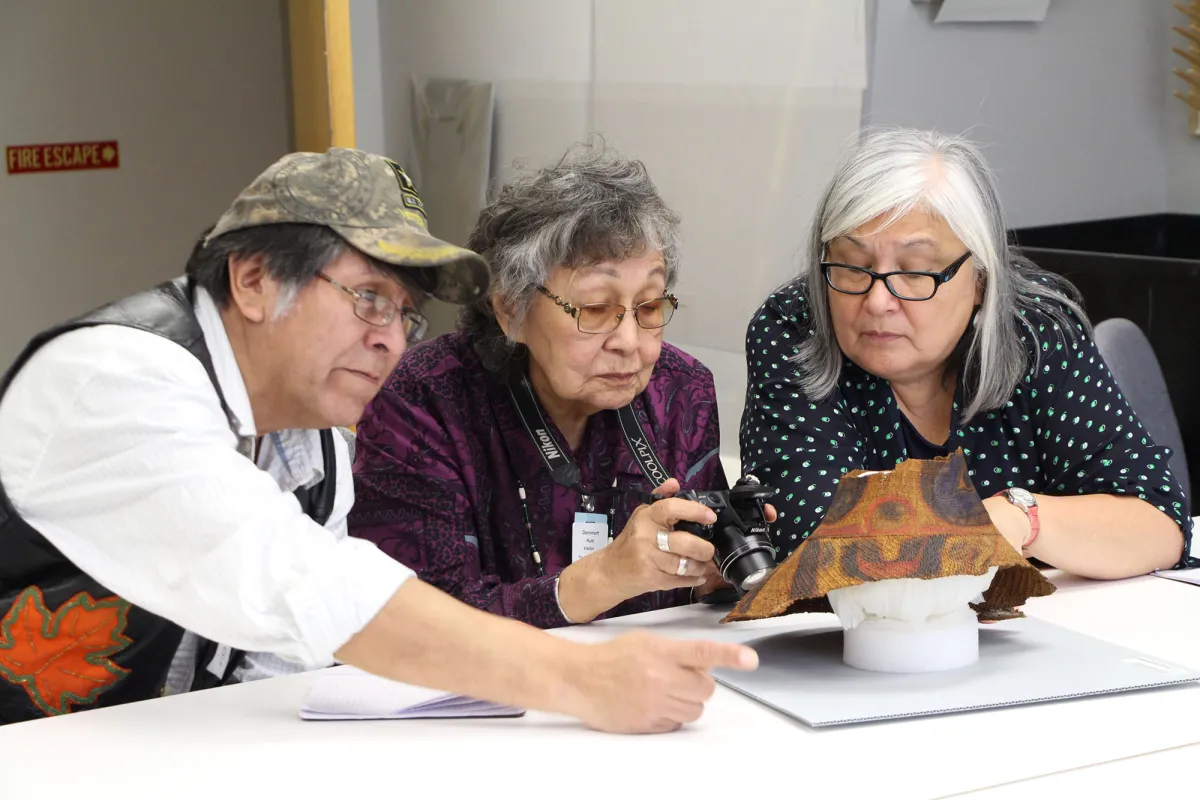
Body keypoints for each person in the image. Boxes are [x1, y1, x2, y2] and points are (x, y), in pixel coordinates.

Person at [0, 147, 756, 731]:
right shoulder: (114, 378)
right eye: (368, 299)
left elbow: (284, 661)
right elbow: (312, 589)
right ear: (254, 280)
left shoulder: (316, 429)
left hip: (162, 747)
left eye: (404, 314)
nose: (390, 342)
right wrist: (582, 681)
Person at [741, 128, 1195, 579]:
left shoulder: (1035, 329)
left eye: (915, 271)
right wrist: (982, 528)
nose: (878, 301)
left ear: (980, 277)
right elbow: (810, 543)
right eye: (852, 265)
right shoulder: (795, 328)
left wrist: (1021, 517)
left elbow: (1158, 521)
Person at [350, 142, 741, 628]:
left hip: (645, 681)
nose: (628, 341)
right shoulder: (424, 397)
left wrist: (717, 573)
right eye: (596, 309)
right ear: (510, 308)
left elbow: (695, 599)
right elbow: (410, 620)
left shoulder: (682, 391)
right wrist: (601, 579)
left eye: (649, 306)